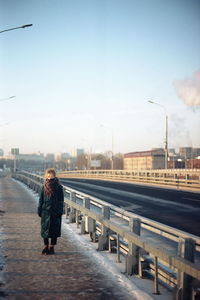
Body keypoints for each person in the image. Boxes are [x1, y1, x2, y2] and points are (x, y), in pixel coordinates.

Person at [38, 168, 64, 255]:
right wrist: (39, 209)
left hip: (55, 211)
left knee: (54, 231)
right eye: (48, 175)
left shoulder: (59, 187)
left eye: (51, 175)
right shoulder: (44, 186)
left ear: (54, 175)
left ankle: (52, 247)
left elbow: (61, 200)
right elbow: (41, 199)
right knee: (45, 230)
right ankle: (46, 246)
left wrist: (60, 210)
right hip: (45, 211)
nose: (49, 177)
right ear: (46, 176)